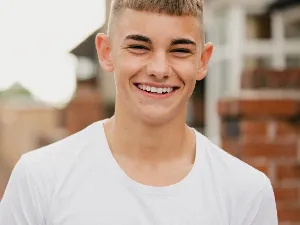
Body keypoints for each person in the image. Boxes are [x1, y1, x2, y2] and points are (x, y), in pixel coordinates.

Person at [0, 0, 278, 224]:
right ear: (106, 52)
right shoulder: (40, 178)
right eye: (139, 47)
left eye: (180, 50)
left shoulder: (246, 192)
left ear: (202, 61)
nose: (159, 69)